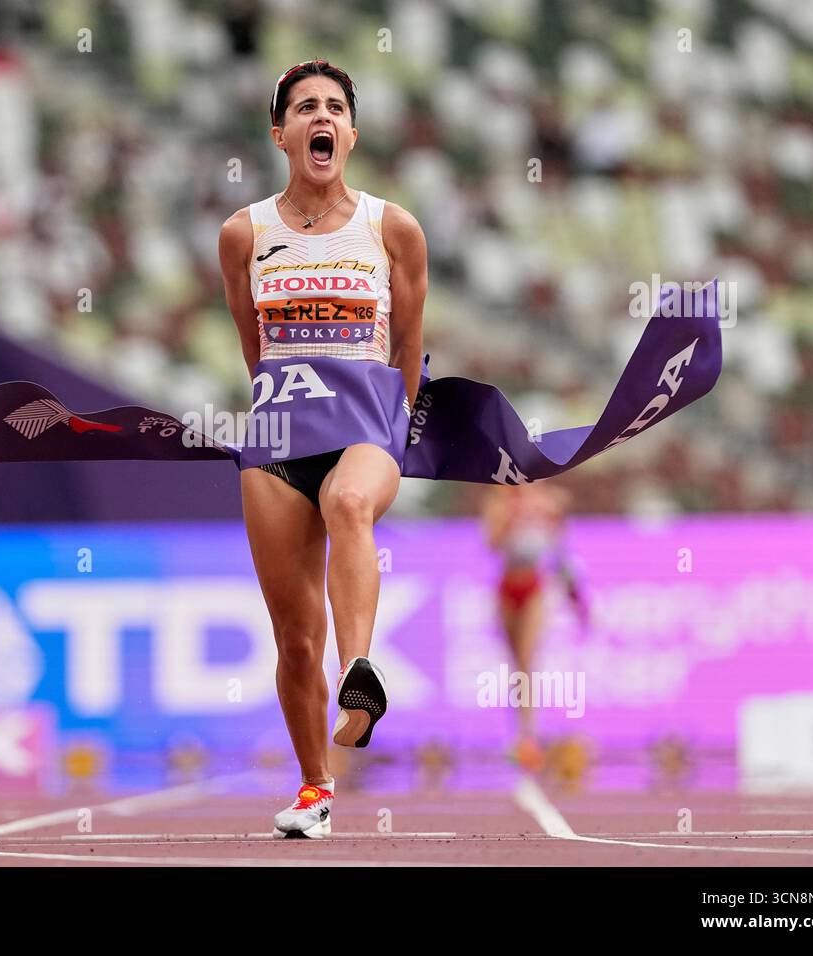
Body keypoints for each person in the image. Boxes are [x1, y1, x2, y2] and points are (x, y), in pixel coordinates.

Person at [217, 60, 428, 838]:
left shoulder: (390, 227)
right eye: (305, 107)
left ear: (351, 132)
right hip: (276, 440)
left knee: (348, 503)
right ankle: (315, 791)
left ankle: (362, 673)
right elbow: (255, 347)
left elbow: (409, 339)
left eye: (335, 107)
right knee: (295, 640)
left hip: (369, 428)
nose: (322, 117)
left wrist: (394, 427)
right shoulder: (245, 233)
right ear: (281, 134)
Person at [480, 481, 586, 772]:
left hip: (533, 586)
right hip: (506, 586)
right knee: (515, 666)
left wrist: (576, 599)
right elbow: (491, 544)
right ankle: (518, 735)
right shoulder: (499, 502)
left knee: (527, 662)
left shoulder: (548, 501)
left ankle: (529, 738)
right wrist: (511, 516)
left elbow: (561, 554)